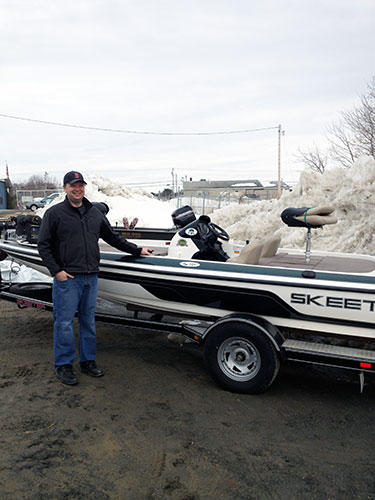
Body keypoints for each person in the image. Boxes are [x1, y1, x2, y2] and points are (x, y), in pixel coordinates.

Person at [38, 171, 153, 386]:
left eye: (80, 185)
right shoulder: (54, 214)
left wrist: (136, 250)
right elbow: (43, 245)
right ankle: (63, 365)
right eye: (73, 185)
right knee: (63, 323)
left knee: (88, 322)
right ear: (65, 188)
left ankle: (87, 361)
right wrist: (57, 271)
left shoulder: (94, 213)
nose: (77, 189)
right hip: (68, 279)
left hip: (90, 277)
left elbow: (112, 237)